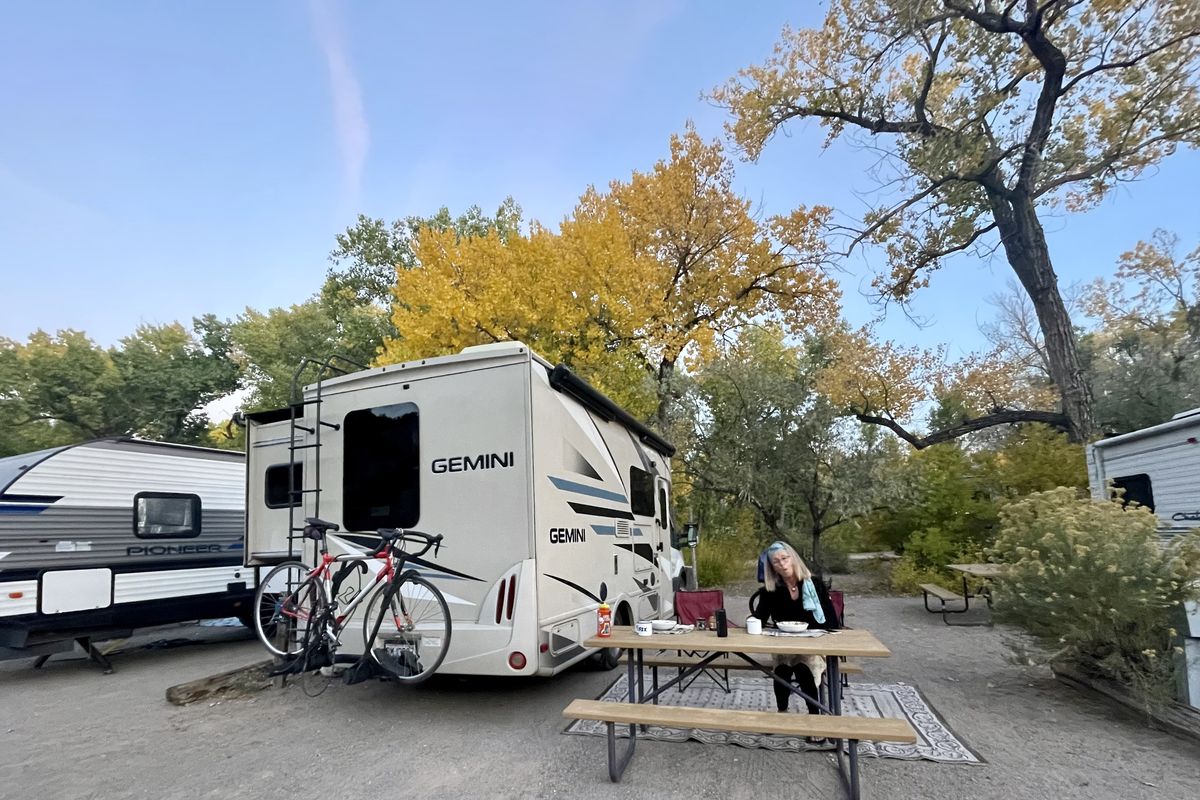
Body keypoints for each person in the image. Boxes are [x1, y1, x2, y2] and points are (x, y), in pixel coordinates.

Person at [751, 541, 840, 723]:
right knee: (782, 667)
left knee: (803, 667)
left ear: (793, 558)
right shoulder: (771, 590)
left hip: (813, 642)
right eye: (776, 562)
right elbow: (759, 618)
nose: (782, 564)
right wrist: (750, 622)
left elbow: (831, 621)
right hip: (783, 643)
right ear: (772, 567)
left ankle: (815, 716)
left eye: (785, 558)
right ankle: (782, 711)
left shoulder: (814, 584)